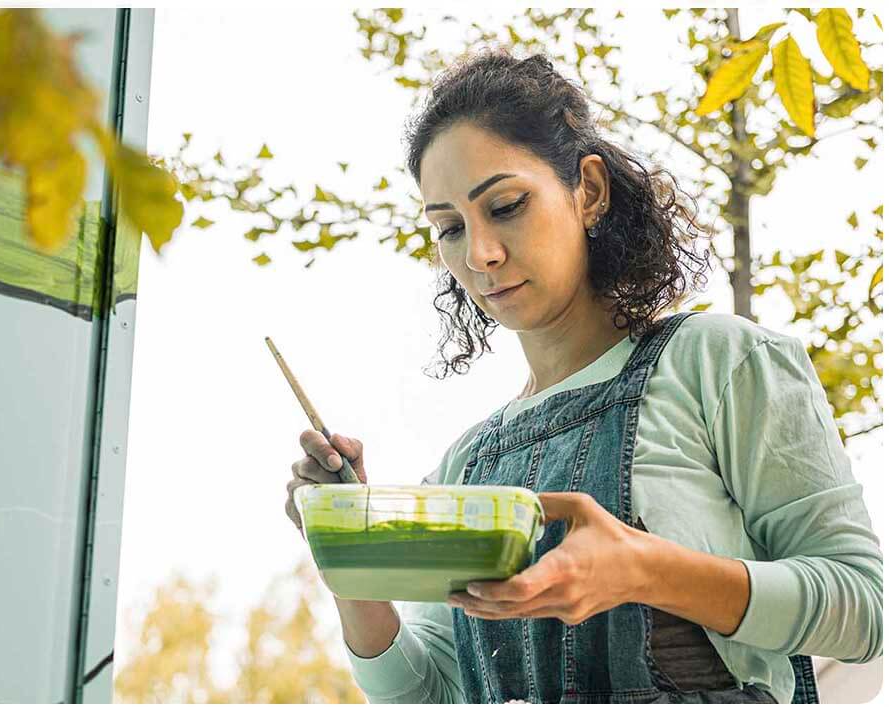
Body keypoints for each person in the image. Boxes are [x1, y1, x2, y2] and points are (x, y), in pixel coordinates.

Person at [284, 48, 882, 704]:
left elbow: (861, 608)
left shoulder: (717, 363)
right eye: (450, 228)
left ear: (588, 190)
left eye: (506, 205)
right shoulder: (465, 464)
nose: (480, 253)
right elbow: (423, 692)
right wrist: (348, 551)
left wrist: (644, 570)